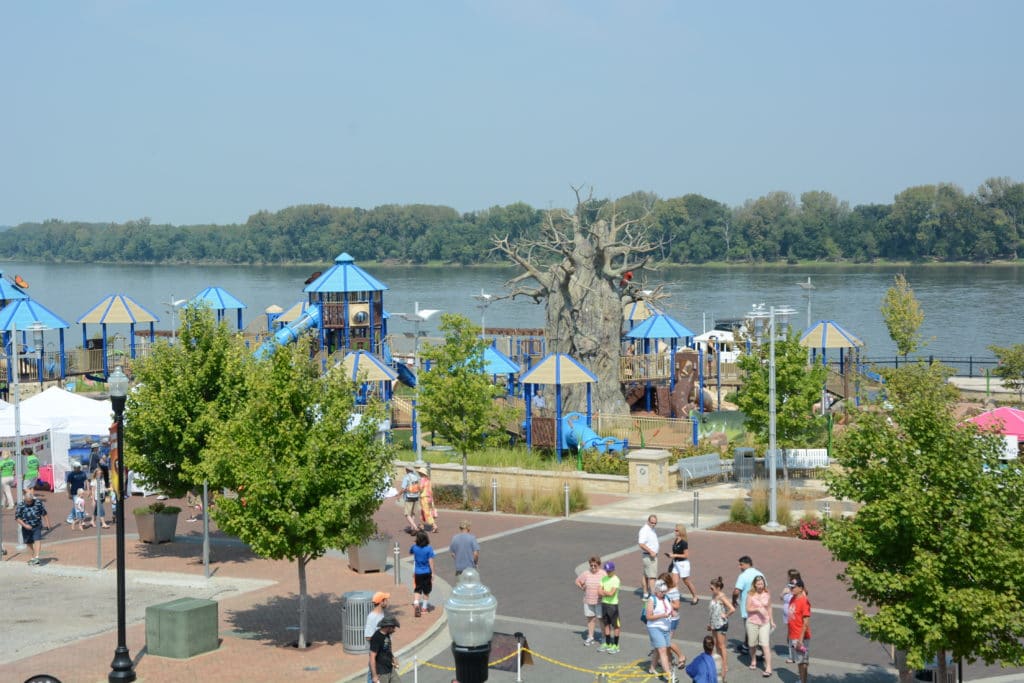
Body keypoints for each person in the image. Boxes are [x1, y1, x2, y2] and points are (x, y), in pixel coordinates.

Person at [732, 555, 764, 654]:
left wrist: (734, 600)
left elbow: (736, 591)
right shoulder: (760, 574)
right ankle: (746, 645)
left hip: (748, 607)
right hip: (760, 606)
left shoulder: (743, 576)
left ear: (747, 564)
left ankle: (758, 650)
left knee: (750, 628)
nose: (740, 567)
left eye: (741, 565)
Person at [644, 579, 676, 677]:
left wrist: (673, 613)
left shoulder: (667, 598)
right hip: (655, 627)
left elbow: (671, 609)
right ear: (656, 591)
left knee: (659, 649)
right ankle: (669, 674)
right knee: (662, 650)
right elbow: (648, 617)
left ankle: (652, 668)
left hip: (666, 628)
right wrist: (662, 615)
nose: (663, 593)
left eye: (665, 591)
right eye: (662, 592)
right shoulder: (651, 600)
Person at [707, 576, 735, 680]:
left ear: (718, 588)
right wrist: (710, 624)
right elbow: (712, 611)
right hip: (714, 624)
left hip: (721, 624)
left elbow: (732, 609)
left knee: (721, 645)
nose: (711, 590)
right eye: (710, 588)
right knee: (715, 644)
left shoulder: (722, 596)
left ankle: (724, 665)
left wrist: (726, 615)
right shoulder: (714, 595)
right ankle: (718, 662)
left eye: (712, 588)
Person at [745, 575, 774, 677]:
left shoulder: (767, 593)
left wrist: (771, 620)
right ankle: (753, 660)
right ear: (755, 585)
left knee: (765, 644)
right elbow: (747, 609)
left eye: (762, 584)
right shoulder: (750, 594)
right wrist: (757, 609)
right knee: (752, 644)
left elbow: (769, 607)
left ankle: (768, 667)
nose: (760, 586)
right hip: (752, 622)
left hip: (764, 623)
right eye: (758, 584)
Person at [15, 485, 51, 565]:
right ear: (25, 499)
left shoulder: (38, 503)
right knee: (28, 542)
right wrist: (25, 525)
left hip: (37, 525)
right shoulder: (21, 505)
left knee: (37, 540)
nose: (29, 503)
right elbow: (17, 518)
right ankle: (33, 556)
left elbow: (44, 513)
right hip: (26, 527)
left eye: (30, 501)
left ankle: (37, 557)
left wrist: (48, 524)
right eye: (27, 502)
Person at [575, 556, 606, 646]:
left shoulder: (603, 574)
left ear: (599, 565)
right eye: (591, 565)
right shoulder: (586, 573)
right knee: (590, 619)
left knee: (601, 619)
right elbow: (577, 581)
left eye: (595, 565)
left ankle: (604, 637)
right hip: (588, 600)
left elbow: (608, 584)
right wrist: (582, 587)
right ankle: (590, 636)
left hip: (600, 601)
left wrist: (604, 592)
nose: (593, 567)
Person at [666, 523, 699, 605]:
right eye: (675, 530)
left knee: (686, 581)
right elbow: (675, 552)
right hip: (676, 563)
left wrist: (675, 555)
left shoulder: (684, 542)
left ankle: (695, 596)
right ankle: (675, 599)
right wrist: (672, 557)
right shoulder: (676, 540)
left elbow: (686, 555)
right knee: (674, 583)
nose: (675, 531)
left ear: (681, 531)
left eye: (677, 530)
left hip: (683, 564)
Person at [787, 578, 811, 683]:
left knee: (803, 662)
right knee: (799, 660)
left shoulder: (804, 602)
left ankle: (803, 681)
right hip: (793, 635)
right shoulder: (793, 598)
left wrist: (800, 640)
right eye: (790, 587)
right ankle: (801, 680)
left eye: (793, 587)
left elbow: (806, 623)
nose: (791, 589)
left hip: (801, 637)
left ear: (801, 588)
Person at [368, 614, 401, 683]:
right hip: (381, 673)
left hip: (390, 668)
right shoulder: (376, 638)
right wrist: (374, 675)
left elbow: (387, 649)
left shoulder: (387, 634)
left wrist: (393, 659)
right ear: (388, 627)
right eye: (393, 627)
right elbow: (372, 657)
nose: (394, 630)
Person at [409, 530, 435, 617]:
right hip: (427, 572)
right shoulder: (429, 548)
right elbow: (431, 561)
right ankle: (424, 608)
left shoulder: (414, 547)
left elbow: (410, 552)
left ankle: (416, 603)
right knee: (426, 591)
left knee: (417, 589)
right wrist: (433, 573)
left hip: (417, 572)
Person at [598, 560, 621, 654]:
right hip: (604, 604)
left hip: (613, 605)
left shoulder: (616, 579)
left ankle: (616, 645)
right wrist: (605, 593)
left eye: (609, 570)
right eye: (607, 570)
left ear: (613, 570)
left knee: (616, 626)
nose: (608, 572)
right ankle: (607, 643)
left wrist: (604, 592)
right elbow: (598, 591)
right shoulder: (603, 579)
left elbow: (612, 593)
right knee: (606, 624)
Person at [780, 569, 802, 663]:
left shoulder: (798, 587)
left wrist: (790, 592)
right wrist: (783, 593)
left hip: (794, 615)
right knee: (790, 635)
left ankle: (794, 655)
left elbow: (801, 599)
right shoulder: (788, 586)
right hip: (787, 615)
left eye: (788, 576)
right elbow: (781, 597)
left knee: (793, 636)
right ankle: (792, 654)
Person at [638, 514, 660, 598]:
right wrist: (651, 551)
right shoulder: (645, 530)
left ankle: (645, 593)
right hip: (649, 556)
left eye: (655, 523)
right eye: (652, 522)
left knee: (646, 575)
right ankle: (653, 595)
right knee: (652, 577)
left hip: (649, 556)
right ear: (648, 521)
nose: (653, 524)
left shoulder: (651, 529)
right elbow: (641, 543)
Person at [399, 465, 422, 533]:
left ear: (407, 470)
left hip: (409, 497)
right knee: (413, 513)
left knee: (407, 514)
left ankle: (415, 527)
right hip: (416, 496)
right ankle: (412, 528)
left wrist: (398, 495)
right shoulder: (416, 477)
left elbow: (403, 488)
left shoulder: (406, 477)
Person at [416, 465, 438, 533]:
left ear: (421, 473)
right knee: (423, 512)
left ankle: (434, 525)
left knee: (427, 512)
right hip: (429, 498)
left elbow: (421, 488)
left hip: (424, 497)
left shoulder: (422, 479)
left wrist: (416, 488)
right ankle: (421, 525)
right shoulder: (428, 480)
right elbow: (430, 490)